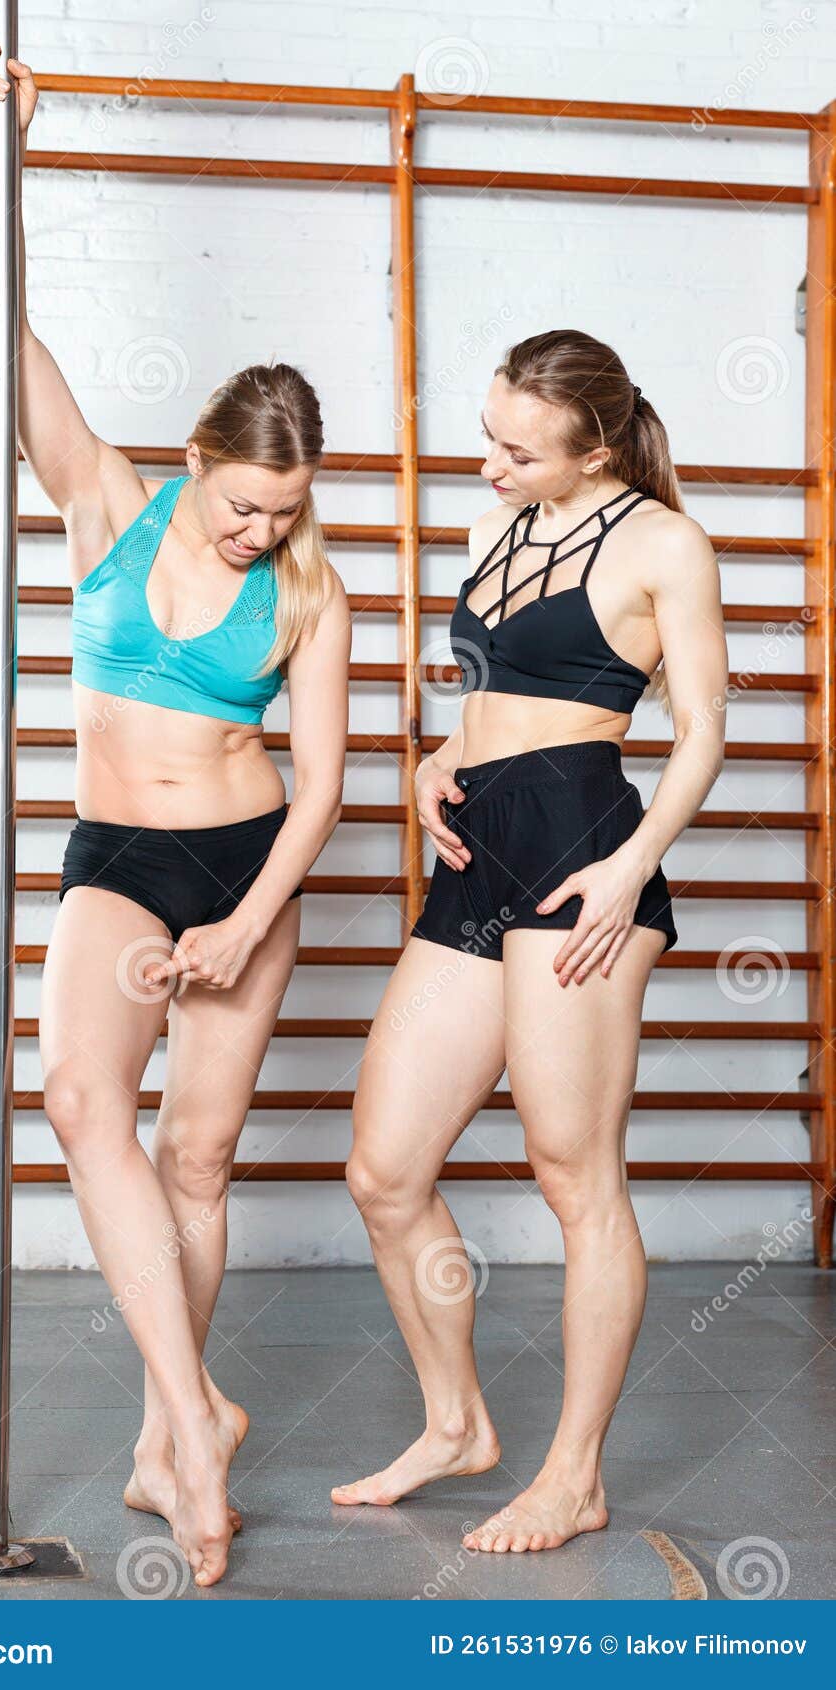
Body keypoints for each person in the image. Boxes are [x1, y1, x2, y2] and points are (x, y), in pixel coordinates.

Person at [0, 42, 350, 1589]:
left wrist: (246, 921)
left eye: (286, 508)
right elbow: (10, 350)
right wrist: (12, 163)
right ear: (197, 462)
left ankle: (154, 1433)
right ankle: (197, 1417)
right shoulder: (108, 503)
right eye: (244, 502)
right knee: (79, 1102)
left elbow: (322, 783)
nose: (264, 529)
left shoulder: (313, 586)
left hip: (245, 869)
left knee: (196, 1162)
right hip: (120, 861)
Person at [331, 329, 728, 1555]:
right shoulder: (492, 529)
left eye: (517, 448)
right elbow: (483, 703)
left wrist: (623, 870)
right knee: (381, 1169)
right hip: (479, 848)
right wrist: (429, 765)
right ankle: (456, 1423)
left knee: (573, 1174)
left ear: (593, 446)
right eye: (487, 434)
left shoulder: (662, 542)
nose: (490, 461)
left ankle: (573, 1473)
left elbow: (703, 734)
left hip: (581, 844)